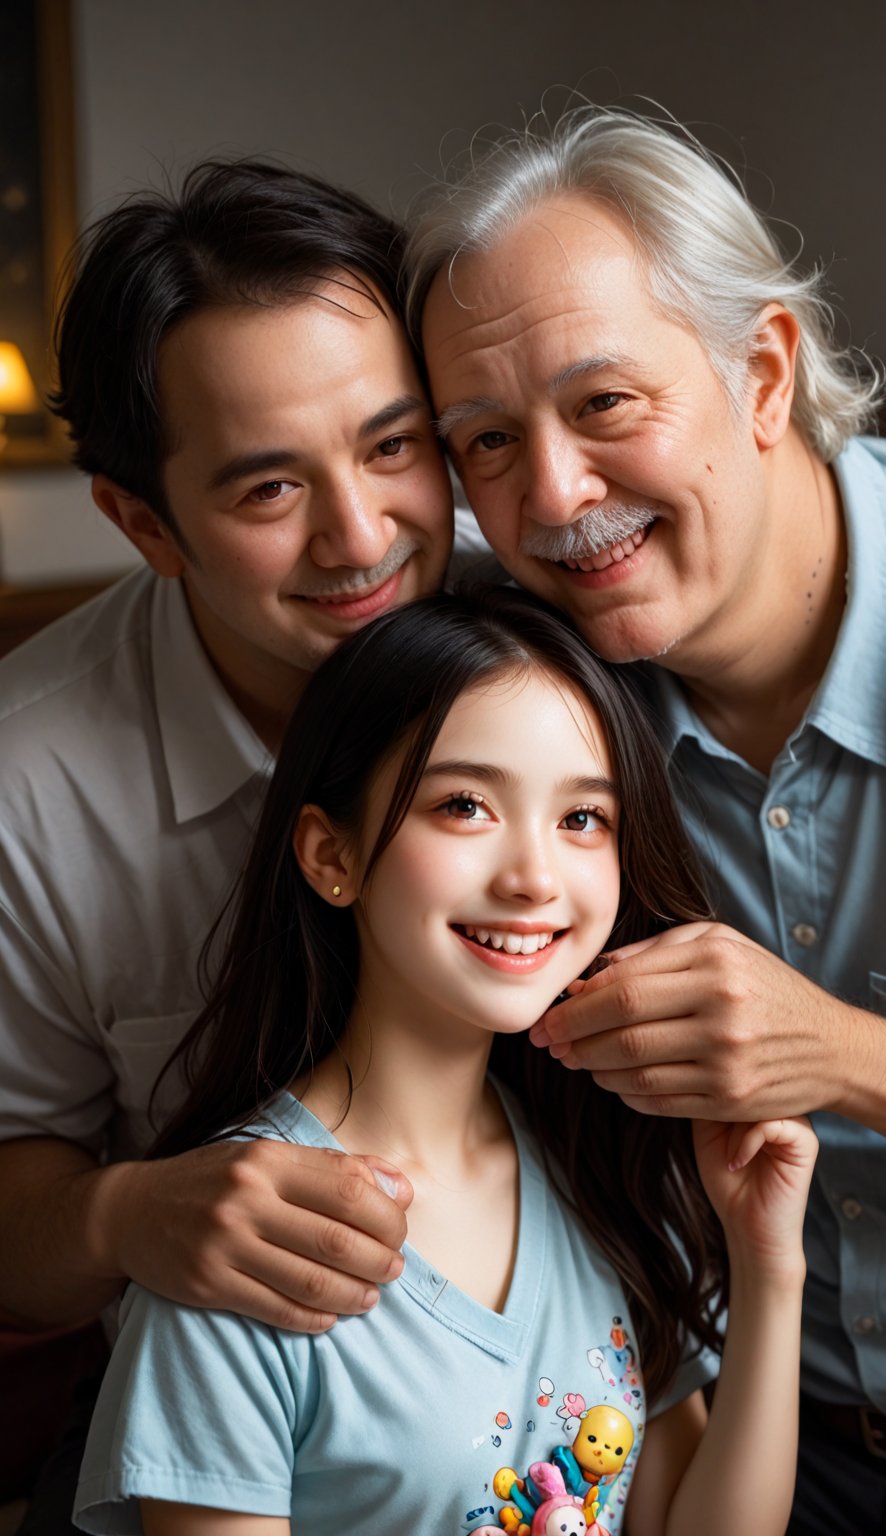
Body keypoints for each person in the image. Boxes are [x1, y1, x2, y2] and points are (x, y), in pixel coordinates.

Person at [402, 107, 886, 1535]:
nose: (553, 498)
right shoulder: (526, 679)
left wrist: (845, 1058)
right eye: (487, 441)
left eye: (607, 407)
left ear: (764, 371)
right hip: (735, 1447)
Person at [72, 586, 817, 1534]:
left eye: (582, 819)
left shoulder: (602, 1167)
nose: (535, 877)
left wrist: (768, 1262)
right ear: (328, 854)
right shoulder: (243, 1246)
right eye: (465, 805)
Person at [0, 159, 465, 1526]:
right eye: (270, 492)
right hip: (220, 1418)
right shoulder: (27, 779)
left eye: (395, 446)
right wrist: (125, 1218)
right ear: (144, 523)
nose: (366, 534)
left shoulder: (552, 628)